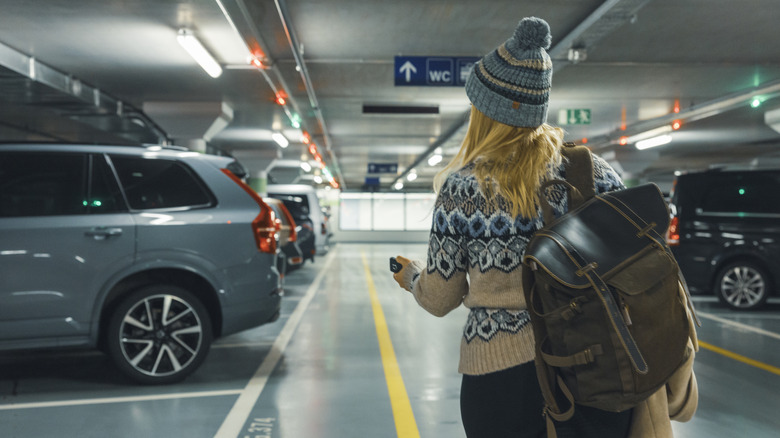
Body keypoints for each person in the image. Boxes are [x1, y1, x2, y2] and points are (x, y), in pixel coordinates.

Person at [391, 17, 697, 438]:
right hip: (596, 366)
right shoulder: (593, 172)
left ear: (486, 111)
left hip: (498, 377)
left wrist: (411, 278)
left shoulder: (464, 188)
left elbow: (441, 296)